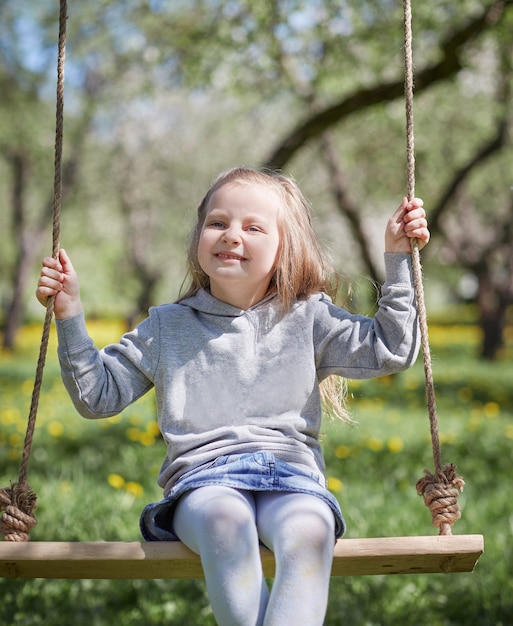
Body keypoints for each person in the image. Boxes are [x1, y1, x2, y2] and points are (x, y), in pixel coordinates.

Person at [36, 167, 429, 626]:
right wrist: (71, 315)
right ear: (199, 235)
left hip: (293, 478)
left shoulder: (309, 318)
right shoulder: (168, 326)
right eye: (218, 222)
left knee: (310, 530)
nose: (231, 236)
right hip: (204, 484)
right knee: (227, 522)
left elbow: (392, 348)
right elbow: (97, 395)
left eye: (253, 227)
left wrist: (399, 259)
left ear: (286, 245)